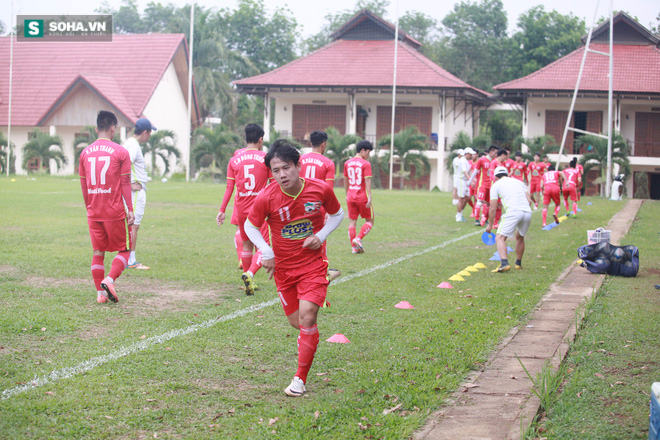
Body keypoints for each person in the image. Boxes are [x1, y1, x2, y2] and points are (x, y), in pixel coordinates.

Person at [244, 139, 344, 397]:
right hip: (284, 270)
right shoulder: (267, 196)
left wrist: (320, 237)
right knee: (297, 323)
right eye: (275, 170)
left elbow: (337, 214)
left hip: (312, 264)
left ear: (298, 166)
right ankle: (322, 285)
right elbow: (250, 226)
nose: (281, 174)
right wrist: (266, 251)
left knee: (308, 317)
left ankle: (299, 379)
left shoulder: (320, 189)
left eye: (286, 168)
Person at [79, 110, 135, 304]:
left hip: (94, 211)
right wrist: (130, 209)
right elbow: (126, 183)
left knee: (98, 253)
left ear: (96, 128)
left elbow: (84, 186)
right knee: (125, 250)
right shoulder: (121, 152)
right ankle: (109, 280)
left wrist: (90, 207)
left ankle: (100, 295)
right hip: (114, 211)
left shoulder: (84, 153)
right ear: (113, 128)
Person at [217, 124, 271, 295]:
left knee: (246, 245)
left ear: (245, 138)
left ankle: (248, 280)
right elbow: (274, 184)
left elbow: (229, 187)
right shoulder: (266, 158)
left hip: (241, 208)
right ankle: (250, 274)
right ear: (260, 139)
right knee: (264, 246)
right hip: (259, 208)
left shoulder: (234, 160)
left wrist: (222, 210)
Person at [300, 130, 341, 283]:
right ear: (324, 144)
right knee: (320, 238)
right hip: (317, 206)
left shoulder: (300, 159)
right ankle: (321, 272)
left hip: (299, 204)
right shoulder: (328, 163)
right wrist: (329, 211)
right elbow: (328, 190)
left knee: (300, 235)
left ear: (311, 143)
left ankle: (304, 269)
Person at [122, 118, 155, 270]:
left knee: (133, 225)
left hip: (136, 191)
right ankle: (130, 260)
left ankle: (128, 258)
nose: (149, 136)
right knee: (133, 225)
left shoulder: (131, 144)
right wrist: (128, 185)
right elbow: (123, 163)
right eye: (150, 132)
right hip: (135, 192)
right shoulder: (133, 145)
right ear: (145, 132)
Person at [486, 166, 533, 273]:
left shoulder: (496, 185)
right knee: (520, 236)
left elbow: (492, 208)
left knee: (499, 238)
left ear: (495, 177)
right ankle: (518, 263)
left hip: (513, 212)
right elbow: (529, 200)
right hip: (527, 211)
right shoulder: (519, 182)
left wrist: (490, 225)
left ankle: (504, 263)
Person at [344, 140, 374, 253]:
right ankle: (358, 238)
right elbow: (367, 179)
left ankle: (354, 248)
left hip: (350, 196)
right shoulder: (365, 164)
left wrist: (347, 194)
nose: (368, 155)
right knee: (370, 221)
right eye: (368, 152)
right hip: (362, 196)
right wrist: (370, 196)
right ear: (362, 150)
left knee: (352, 222)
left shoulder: (347, 163)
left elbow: (346, 180)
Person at [469, 145, 498, 226]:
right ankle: (477, 219)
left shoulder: (495, 161)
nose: (496, 154)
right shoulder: (482, 160)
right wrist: (470, 181)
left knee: (488, 203)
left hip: (491, 185)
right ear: (491, 152)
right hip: (482, 184)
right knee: (479, 201)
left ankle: (484, 219)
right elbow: (475, 171)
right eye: (495, 152)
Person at [456, 148, 475, 222]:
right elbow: (465, 172)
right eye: (470, 154)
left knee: (468, 197)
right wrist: (471, 181)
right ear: (466, 153)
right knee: (461, 198)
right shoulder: (462, 160)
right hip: (461, 180)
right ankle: (458, 216)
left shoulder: (466, 161)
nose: (471, 155)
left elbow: (468, 172)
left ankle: (460, 213)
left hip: (465, 181)